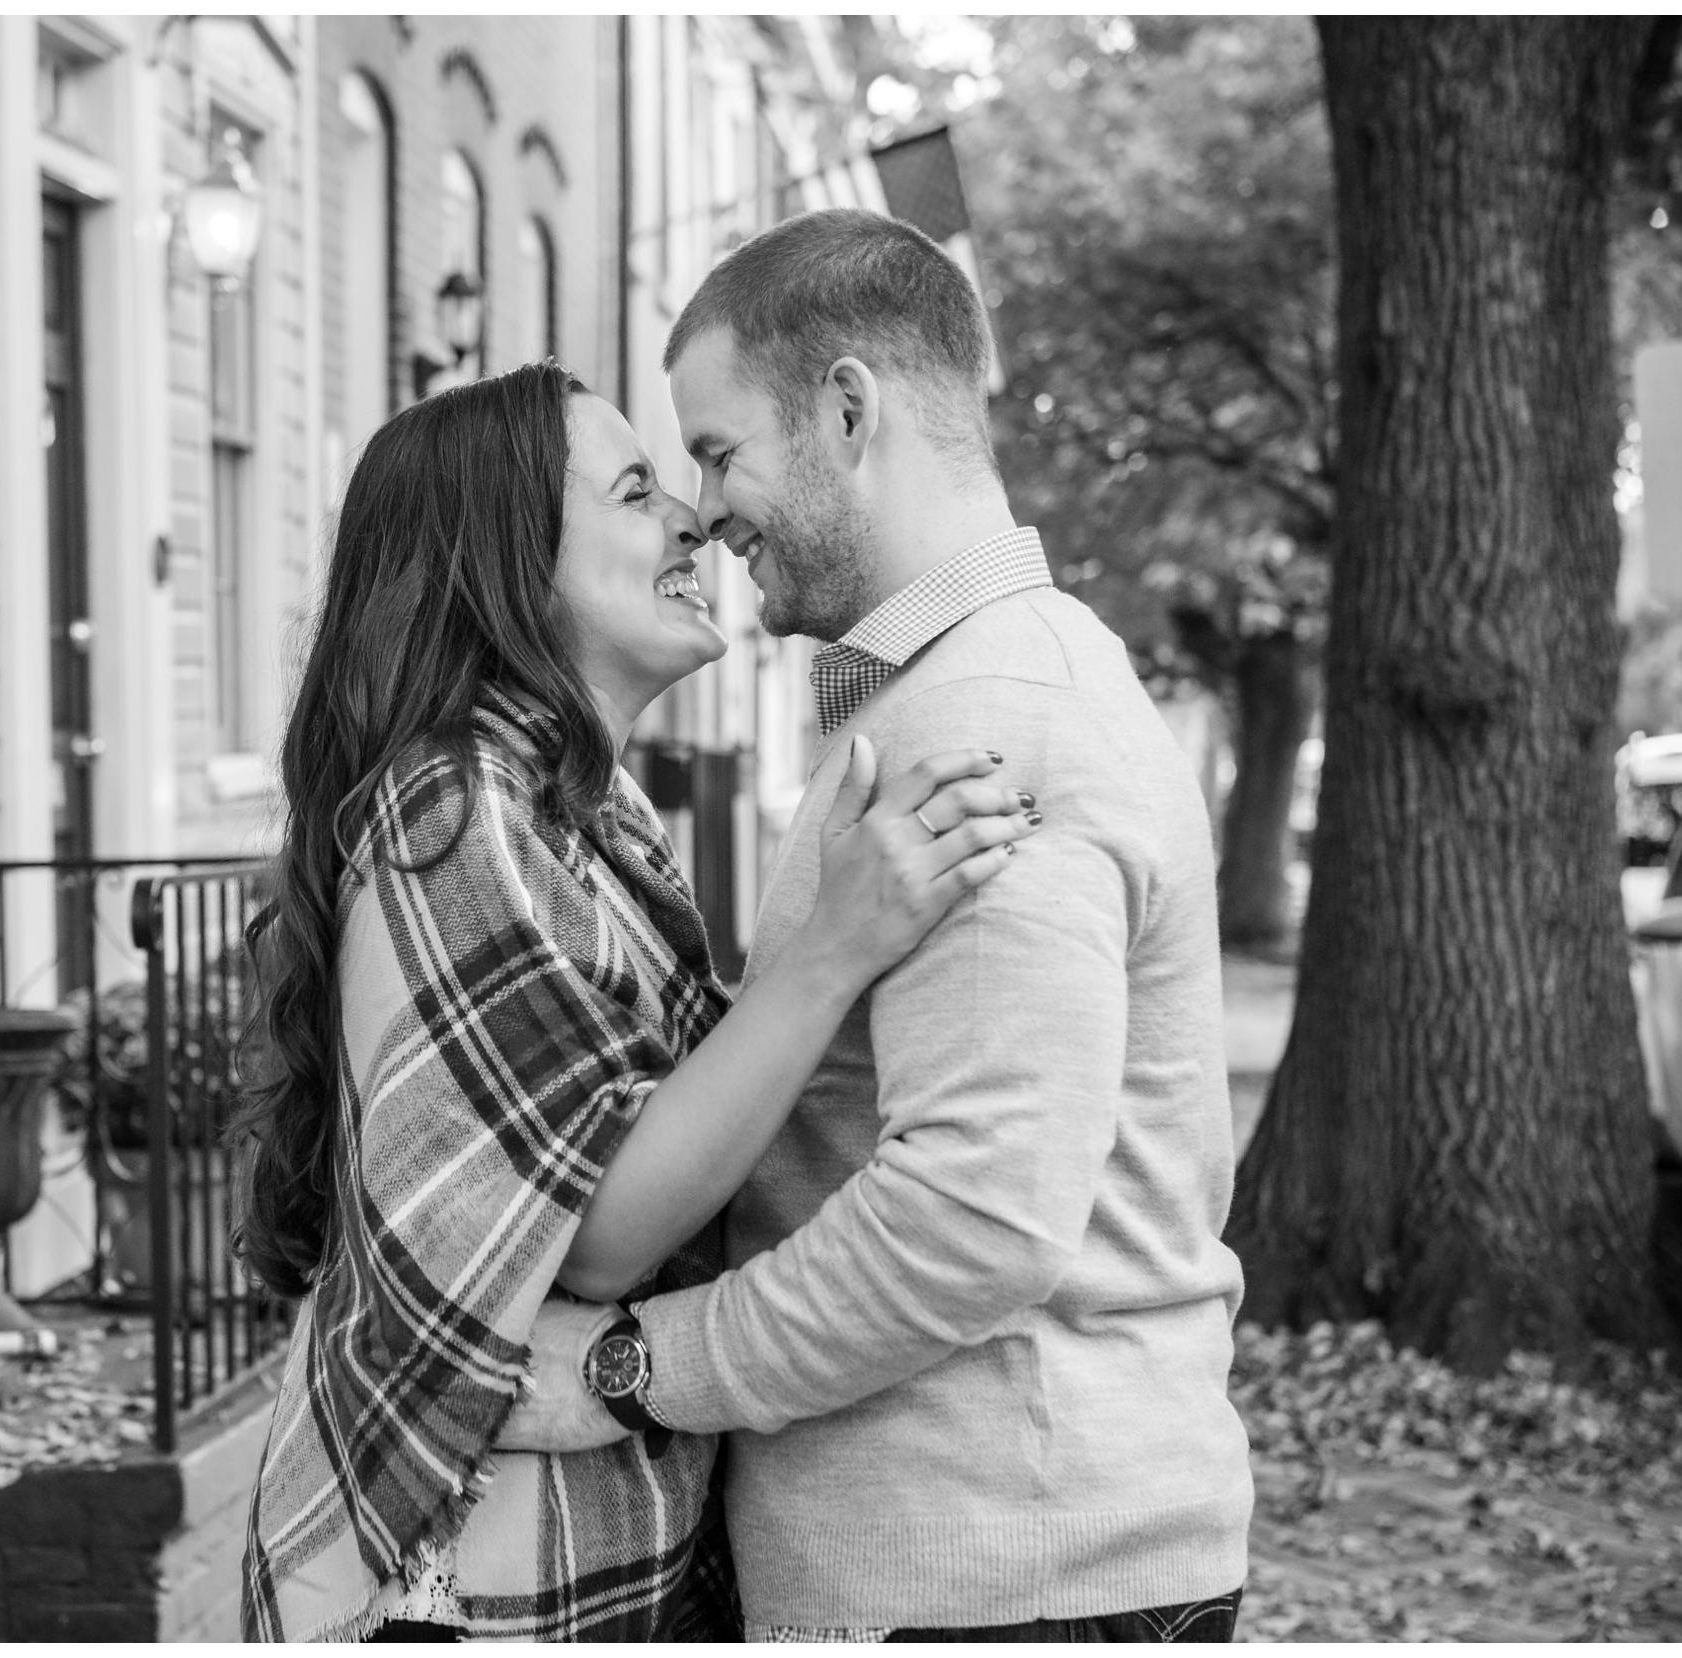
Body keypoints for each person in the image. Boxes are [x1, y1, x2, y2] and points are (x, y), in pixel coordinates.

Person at [500, 208, 1256, 1642]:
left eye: (720, 453)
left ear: (846, 409)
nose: (707, 514)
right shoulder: (960, 691)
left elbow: (971, 1221)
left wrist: (621, 1365)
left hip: (1002, 1579)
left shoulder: (987, 722)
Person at [232, 360, 1041, 1642]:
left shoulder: (581, 811)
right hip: (466, 1580)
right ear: (504, 562)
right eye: (633, 490)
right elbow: (601, 1224)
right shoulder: (456, 807)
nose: (693, 519)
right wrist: (835, 948)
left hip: (567, 1559)